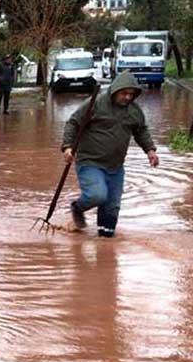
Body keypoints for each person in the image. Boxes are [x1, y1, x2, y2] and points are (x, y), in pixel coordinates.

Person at [61, 72, 159, 238]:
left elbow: (141, 130)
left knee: (112, 208)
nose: (128, 97)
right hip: (90, 162)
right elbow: (73, 123)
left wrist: (150, 150)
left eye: (131, 94)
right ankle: (77, 208)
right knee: (97, 195)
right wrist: (67, 147)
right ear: (115, 91)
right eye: (124, 93)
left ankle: (105, 244)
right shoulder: (96, 104)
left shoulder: (134, 111)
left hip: (115, 166)